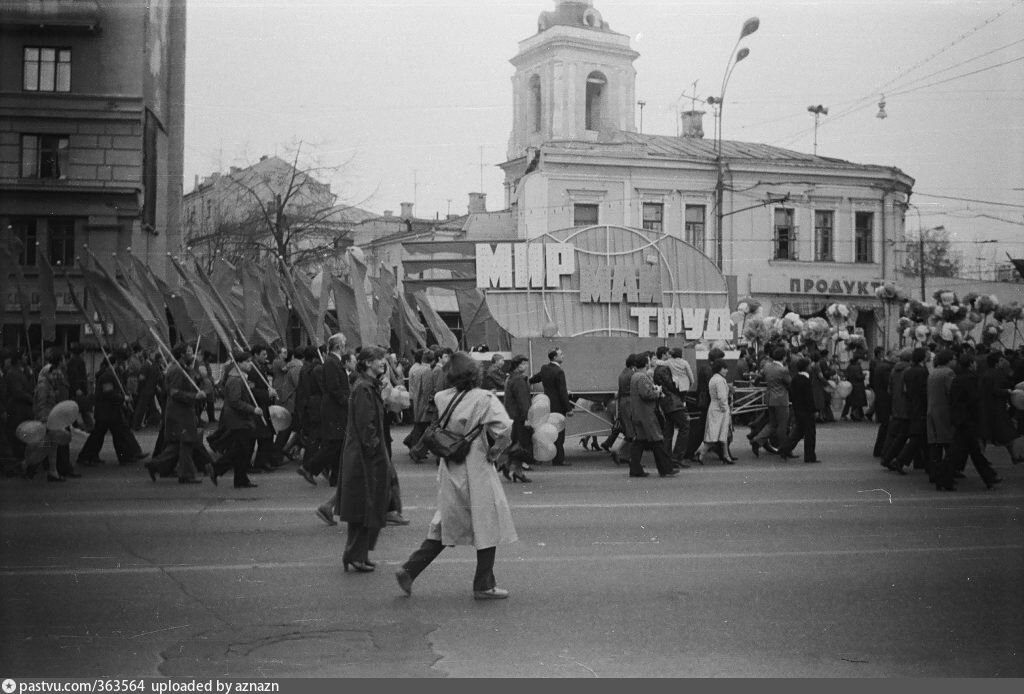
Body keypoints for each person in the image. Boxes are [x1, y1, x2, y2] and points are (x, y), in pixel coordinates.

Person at [394, 351, 516, 599]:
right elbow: (505, 428)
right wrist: (496, 451)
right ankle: (484, 583)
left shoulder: (441, 397)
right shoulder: (485, 398)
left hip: (449, 465)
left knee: (446, 522)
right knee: (487, 521)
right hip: (476, 465)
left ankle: (410, 569)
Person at [338, 347, 392, 573]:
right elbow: (366, 425)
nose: (383, 362)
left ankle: (359, 554)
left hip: (368, 455)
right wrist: (375, 453)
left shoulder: (368, 385)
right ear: (368, 363)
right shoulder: (363, 388)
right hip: (364, 457)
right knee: (363, 508)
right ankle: (353, 555)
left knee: (368, 507)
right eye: (379, 359)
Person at [145, 343, 207, 484]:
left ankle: (155, 465)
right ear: (182, 355)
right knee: (186, 442)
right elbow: (174, 392)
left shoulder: (184, 369)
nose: (193, 355)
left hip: (184, 411)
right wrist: (194, 397)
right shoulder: (177, 370)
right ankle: (186, 475)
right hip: (179, 413)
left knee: (177, 445)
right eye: (190, 352)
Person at [298, 334, 349, 486]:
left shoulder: (333, 361)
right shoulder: (332, 362)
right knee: (334, 443)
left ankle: (335, 478)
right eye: (344, 344)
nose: (345, 348)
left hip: (335, 407)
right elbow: (334, 387)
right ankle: (309, 467)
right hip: (334, 408)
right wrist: (345, 401)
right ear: (338, 346)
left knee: (338, 443)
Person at [77, 350, 143, 467]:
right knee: (102, 436)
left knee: (114, 434)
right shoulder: (107, 376)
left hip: (110, 411)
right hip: (106, 411)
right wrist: (123, 398)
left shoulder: (112, 374)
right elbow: (109, 393)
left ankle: (126, 455)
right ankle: (87, 456)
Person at [948, 354, 1002, 489]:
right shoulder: (971, 379)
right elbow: (974, 399)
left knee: (970, 450)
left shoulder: (957, 378)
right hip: (968, 419)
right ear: (971, 364)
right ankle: (989, 476)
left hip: (960, 418)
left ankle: (989, 476)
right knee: (967, 451)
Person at [211, 351, 261, 489]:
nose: (250, 364)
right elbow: (235, 401)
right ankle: (216, 468)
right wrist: (252, 409)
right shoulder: (235, 379)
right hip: (237, 419)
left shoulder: (240, 378)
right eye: (247, 361)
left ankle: (240, 479)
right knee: (240, 449)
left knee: (241, 451)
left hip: (240, 419)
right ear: (239, 363)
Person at [626, 353, 680, 478]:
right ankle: (665, 469)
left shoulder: (635, 376)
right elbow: (647, 394)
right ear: (646, 364)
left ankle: (635, 469)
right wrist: (657, 392)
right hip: (647, 414)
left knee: (639, 442)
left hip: (638, 413)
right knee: (657, 440)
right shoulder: (642, 377)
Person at [529, 348, 573, 465]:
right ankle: (558, 459)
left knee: (545, 431)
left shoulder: (545, 368)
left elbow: (535, 379)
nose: (563, 356)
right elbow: (562, 392)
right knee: (558, 433)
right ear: (554, 357)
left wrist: (527, 381)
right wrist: (568, 408)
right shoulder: (559, 372)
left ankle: (541, 456)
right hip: (558, 407)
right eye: (561, 354)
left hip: (546, 405)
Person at [750, 347, 793, 459]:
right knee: (782, 425)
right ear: (783, 357)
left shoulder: (767, 366)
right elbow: (789, 383)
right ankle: (784, 449)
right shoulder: (783, 370)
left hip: (770, 398)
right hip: (781, 399)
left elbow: (758, 378)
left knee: (772, 424)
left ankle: (757, 440)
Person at [925, 349, 957, 491]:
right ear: (948, 360)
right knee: (949, 445)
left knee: (935, 445)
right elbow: (952, 393)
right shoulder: (948, 373)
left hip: (932, 411)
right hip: (944, 412)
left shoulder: (933, 373)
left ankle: (935, 473)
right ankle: (946, 475)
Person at [779, 357, 819, 463]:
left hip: (798, 410)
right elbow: (809, 398)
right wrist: (814, 410)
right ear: (806, 368)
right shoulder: (806, 380)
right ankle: (810, 456)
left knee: (798, 432)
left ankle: (784, 449)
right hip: (807, 411)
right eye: (809, 365)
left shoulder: (795, 379)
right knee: (810, 434)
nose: (811, 367)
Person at [500, 354, 533, 483]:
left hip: (511, 416)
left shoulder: (510, 378)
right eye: (524, 364)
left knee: (516, 444)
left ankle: (508, 466)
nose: (526, 366)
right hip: (519, 417)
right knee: (521, 445)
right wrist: (527, 417)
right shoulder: (519, 380)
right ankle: (516, 471)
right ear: (518, 365)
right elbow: (523, 401)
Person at [652, 357, 690, 469]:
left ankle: (666, 457)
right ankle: (677, 457)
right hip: (673, 402)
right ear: (664, 355)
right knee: (685, 426)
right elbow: (672, 385)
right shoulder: (663, 369)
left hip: (665, 403)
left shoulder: (657, 369)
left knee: (668, 430)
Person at [403, 349, 436, 462]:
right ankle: (416, 448)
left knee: (420, 425)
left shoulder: (417, 368)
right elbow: (426, 389)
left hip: (417, 399)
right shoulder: (426, 370)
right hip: (422, 401)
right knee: (422, 426)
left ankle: (413, 445)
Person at [870, 350, 895, 458]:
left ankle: (880, 449)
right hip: (885, 400)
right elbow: (888, 385)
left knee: (884, 425)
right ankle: (882, 450)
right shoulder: (886, 368)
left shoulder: (880, 366)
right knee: (886, 426)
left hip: (880, 398)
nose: (898, 358)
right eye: (896, 355)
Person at [841, 353, 868, 421]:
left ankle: (845, 415)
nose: (862, 361)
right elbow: (859, 377)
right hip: (858, 387)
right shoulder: (858, 367)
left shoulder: (849, 366)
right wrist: (864, 376)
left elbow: (846, 376)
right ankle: (856, 415)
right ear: (858, 360)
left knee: (849, 402)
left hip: (850, 387)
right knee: (858, 403)